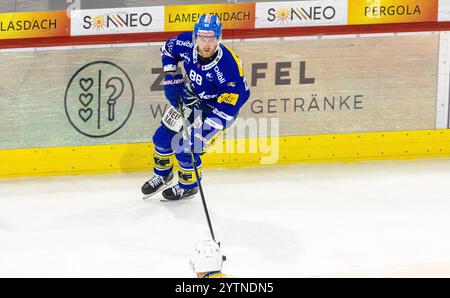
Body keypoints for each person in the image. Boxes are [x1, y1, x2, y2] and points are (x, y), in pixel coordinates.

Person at [141, 14, 250, 201]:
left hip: (219, 110)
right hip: (191, 98)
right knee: (161, 138)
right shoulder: (185, 43)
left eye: (211, 39)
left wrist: (200, 135)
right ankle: (163, 174)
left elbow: (230, 107)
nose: (206, 44)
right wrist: (171, 78)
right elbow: (168, 50)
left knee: (186, 149)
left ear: (219, 38)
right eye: (202, 38)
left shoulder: (229, 66)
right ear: (195, 37)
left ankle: (188, 185)